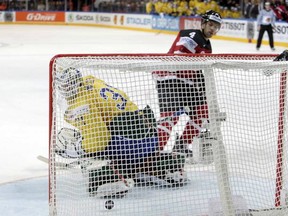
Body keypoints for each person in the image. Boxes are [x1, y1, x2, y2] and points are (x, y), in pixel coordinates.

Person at [54, 67, 188, 198]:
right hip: (149, 136)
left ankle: (109, 178)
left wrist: (77, 149)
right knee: (125, 146)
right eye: (65, 84)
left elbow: (99, 140)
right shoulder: (90, 80)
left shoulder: (80, 105)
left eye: (69, 83)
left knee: (90, 149)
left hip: (126, 142)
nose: (68, 87)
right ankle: (165, 165)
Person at [153, 10, 222, 161]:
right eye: (211, 25)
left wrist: (203, 93)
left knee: (204, 110)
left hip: (187, 83)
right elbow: (179, 58)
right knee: (170, 118)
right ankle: (153, 154)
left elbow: (198, 71)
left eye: (216, 27)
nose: (213, 29)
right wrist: (184, 104)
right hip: (169, 79)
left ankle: (181, 146)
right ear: (203, 23)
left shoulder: (207, 45)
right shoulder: (190, 34)